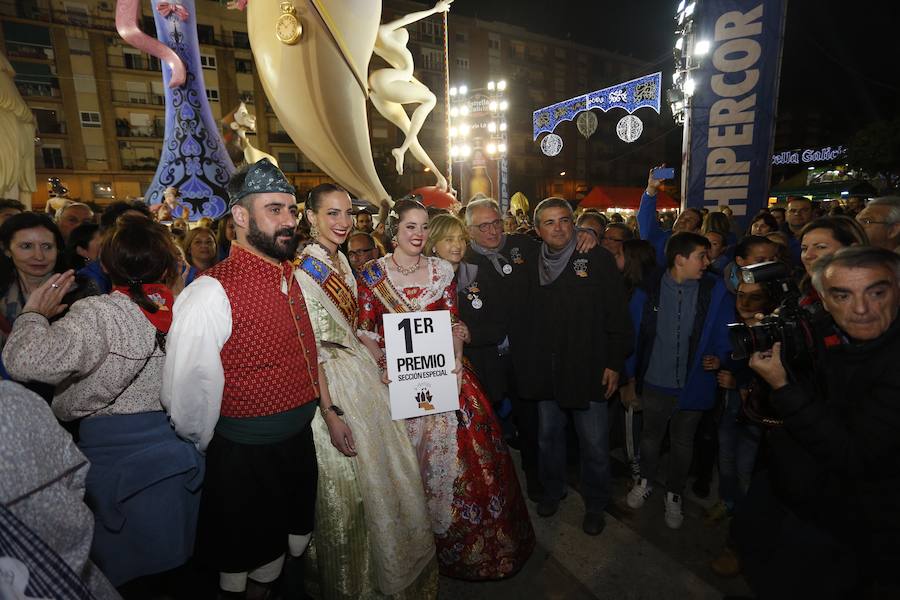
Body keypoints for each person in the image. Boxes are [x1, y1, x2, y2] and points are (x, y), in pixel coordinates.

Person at [2, 216, 203, 586]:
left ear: (106, 265)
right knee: (172, 566)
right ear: (168, 264)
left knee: (121, 576)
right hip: (173, 455)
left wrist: (32, 315)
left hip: (114, 462)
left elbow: (24, 361)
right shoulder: (188, 308)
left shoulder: (99, 314)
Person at [162, 158, 320, 598]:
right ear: (240, 217)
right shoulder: (210, 292)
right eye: (275, 210)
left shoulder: (290, 276)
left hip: (295, 446)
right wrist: (224, 446)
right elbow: (187, 394)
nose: (288, 221)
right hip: (246, 460)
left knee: (285, 555)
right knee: (247, 565)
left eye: (291, 210)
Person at [358, 199, 535, 580]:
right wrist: (384, 364)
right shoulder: (372, 275)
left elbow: (453, 323)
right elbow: (367, 330)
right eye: (410, 227)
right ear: (394, 230)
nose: (418, 234)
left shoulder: (441, 271)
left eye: (423, 227)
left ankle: (462, 550)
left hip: (444, 375)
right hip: (397, 383)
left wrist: (456, 359)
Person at [297, 183, 437, 598]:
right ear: (311, 218)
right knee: (351, 491)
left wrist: (379, 351)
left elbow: (354, 325)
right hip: (331, 385)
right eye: (331, 214)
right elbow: (310, 347)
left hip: (357, 370)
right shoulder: (305, 268)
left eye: (346, 214)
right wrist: (330, 411)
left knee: (390, 476)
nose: (342, 223)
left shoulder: (339, 259)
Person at [736, 247, 900, 598]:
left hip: (856, 523)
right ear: (824, 300)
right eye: (842, 295)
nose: (860, 308)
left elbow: (856, 455)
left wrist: (782, 385)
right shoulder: (824, 332)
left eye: (876, 292)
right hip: (797, 493)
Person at [459, 197, 598, 501]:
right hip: (486, 359)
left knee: (533, 426)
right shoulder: (461, 261)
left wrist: (588, 234)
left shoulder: (523, 246)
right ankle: (495, 489)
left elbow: (560, 243)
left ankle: (537, 481)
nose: (493, 232)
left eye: (496, 222)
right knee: (488, 429)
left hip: (527, 356)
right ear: (469, 230)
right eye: (484, 226)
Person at [517, 197, 632, 537]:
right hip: (547, 372)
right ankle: (554, 492)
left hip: (588, 368)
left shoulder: (596, 258)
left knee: (595, 444)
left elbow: (618, 316)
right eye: (550, 222)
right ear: (537, 230)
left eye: (565, 220)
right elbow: (487, 240)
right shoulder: (527, 260)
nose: (559, 228)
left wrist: (614, 364)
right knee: (548, 439)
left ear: (575, 223)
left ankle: (596, 504)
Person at [624, 232, 735, 529]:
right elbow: (632, 337)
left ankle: (674, 494)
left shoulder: (715, 290)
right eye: (701, 256)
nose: (707, 261)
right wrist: (630, 378)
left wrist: (720, 358)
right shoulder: (648, 290)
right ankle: (645, 480)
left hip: (694, 383)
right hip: (655, 381)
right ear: (680, 259)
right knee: (650, 437)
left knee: (683, 443)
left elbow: (725, 333)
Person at [0, 380, 119, 600]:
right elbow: (74, 480)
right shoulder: (15, 401)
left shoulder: (13, 402)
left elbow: (21, 362)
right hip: (65, 574)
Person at [0, 213, 82, 357]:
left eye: (47, 246)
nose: (39, 256)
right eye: (26, 246)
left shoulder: (79, 292)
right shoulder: (3, 290)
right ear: (7, 250)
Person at [798, 216, 867, 308]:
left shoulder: (868, 297)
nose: (808, 255)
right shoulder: (804, 293)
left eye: (820, 247)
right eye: (804, 248)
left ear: (852, 249)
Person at [638, 167, 702, 264]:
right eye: (681, 217)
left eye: (690, 220)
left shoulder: (698, 252)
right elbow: (645, 219)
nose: (682, 221)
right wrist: (651, 189)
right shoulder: (660, 238)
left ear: (697, 231)